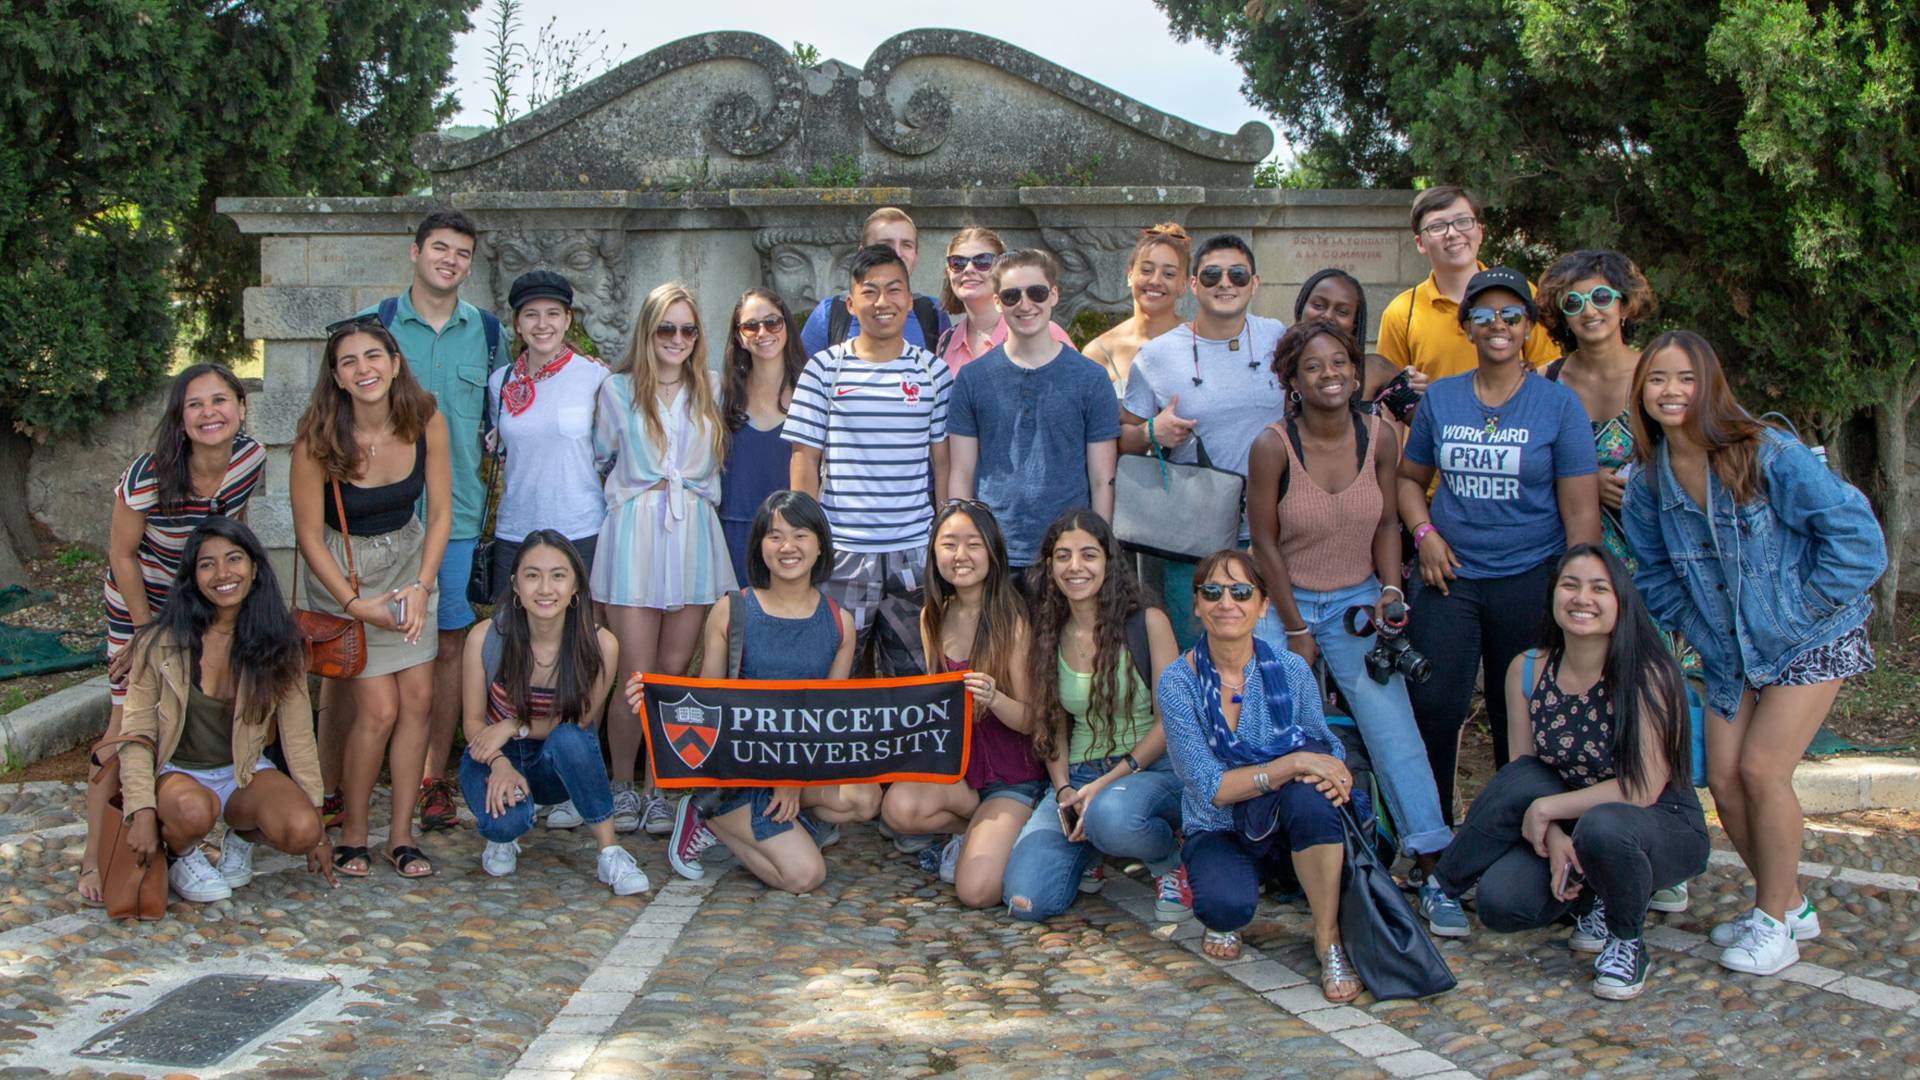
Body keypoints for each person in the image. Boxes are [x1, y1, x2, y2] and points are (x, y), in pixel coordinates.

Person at [1622, 330, 1886, 977]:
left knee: (1765, 770)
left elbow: (1859, 540)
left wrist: (1796, 612)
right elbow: (1653, 577)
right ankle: (1789, 903)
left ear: (1710, 383)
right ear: (1641, 392)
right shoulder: (1647, 483)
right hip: (1726, 649)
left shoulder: (1766, 453)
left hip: (1810, 637)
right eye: (1658, 379)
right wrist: (1703, 635)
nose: (1672, 391)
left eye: (1686, 377)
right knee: (1729, 778)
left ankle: (1772, 923)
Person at [1246, 320, 1460, 934]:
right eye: (1313, 366)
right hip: (1286, 601)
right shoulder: (1272, 446)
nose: (1330, 375)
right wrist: (1291, 628)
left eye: (1339, 362)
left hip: (1359, 599)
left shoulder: (1383, 437)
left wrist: (1391, 588)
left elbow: (1388, 525)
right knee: (1265, 724)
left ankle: (1430, 860)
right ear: (1292, 378)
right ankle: (1256, 855)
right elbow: (1263, 541)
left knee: (1393, 728)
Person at [1429, 545, 1709, 1000]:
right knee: (1500, 904)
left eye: (1600, 588)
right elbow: (1523, 775)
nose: (1583, 598)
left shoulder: (1648, 675)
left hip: (1656, 822)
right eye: (1570, 585)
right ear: (1553, 595)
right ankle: (1592, 891)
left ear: (1621, 601)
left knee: (1604, 827)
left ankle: (1625, 941)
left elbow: (1640, 788)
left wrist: (1547, 810)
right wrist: (1556, 834)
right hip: (1574, 819)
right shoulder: (1527, 669)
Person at [1397, 266, 1602, 822]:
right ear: (1466, 327)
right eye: (1483, 315)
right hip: (1450, 577)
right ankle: (1433, 835)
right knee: (1434, 705)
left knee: (1524, 717)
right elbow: (1408, 482)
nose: (1498, 325)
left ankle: (1519, 830)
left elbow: (1582, 515)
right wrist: (1425, 534)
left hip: (1530, 576)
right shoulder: (1441, 400)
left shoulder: (1559, 407)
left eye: (1512, 315)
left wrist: (1578, 593)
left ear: (1528, 327)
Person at [1534, 250, 1694, 917]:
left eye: (1601, 297)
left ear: (1626, 303)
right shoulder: (1545, 381)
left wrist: (1645, 490)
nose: (1589, 312)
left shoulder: (1655, 377)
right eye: (1572, 302)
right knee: (1595, 706)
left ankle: (1665, 844)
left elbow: (1698, 453)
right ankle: (1599, 843)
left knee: (1657, 699)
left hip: (1655, 565)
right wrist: (1580, 483)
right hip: (1577, 562)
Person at [351, 209, 511, 836]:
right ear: (414, 252)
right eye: (440, 248)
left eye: (463, 253)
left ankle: (430, 780)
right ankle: (344, 783)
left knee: (446, 646)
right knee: (359, 645)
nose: (450, 260)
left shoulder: (489, 333)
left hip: (457, 515)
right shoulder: (379, 327)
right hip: (378, 516)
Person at [84, 364, 265, 905]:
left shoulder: (250, 459)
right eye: (195, 404)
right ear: (180, 418)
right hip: (142, 606)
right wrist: (145, 633)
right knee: (125, 726)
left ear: (240, 405)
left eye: (220, 400)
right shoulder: (148, 476)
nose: (210, 413)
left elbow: (232, 530)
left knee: (190, 714)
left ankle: (187, 838)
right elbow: (121, 553)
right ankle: (97, 855)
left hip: (201, 603)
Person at [638, 491, 871, 892]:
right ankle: (706, 815)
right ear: (759, 545)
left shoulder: (839, 622)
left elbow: (828, 717)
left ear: (820, 545)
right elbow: (707, 703)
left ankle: (782, 821)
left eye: (800, 535)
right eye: (774, 536)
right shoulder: (733, 610)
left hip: (798, 762)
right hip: (738, 770)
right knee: (805, 876)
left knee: (863, 799)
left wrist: (794, 778)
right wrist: (650, 696)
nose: (787, 547)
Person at [1158, 551, 1362, 1002]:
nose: (1225, 602)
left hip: (1281, 820)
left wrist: (1331, 773)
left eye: (1241, 591)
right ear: (1196, 605)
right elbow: (1211, 788)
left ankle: (1327, 937)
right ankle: (1234, 886)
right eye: (1212, 591)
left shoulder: (1290, 670)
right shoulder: (1177, 682)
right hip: (1220, 825)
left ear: (1263, 605)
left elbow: (1324, 745)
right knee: (1225, 907)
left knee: (1313, 797)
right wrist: (1289, 765)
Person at [291, 317, 452, 879]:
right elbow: (308, 536)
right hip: (346, 573)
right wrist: (355, 604)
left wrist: (423, 584)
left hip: (410, 565)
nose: (364, 370)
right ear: (335, 377)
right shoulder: (317, 437)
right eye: (349, 362)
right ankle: (355, 832)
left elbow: (440, 513)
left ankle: (401, 836)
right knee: (379, 709)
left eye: (373, 356)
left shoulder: (424, 418)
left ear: (395, 360)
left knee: (419, 701)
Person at [117, 518, 333, 903]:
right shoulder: (160, 643)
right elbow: (136, 734)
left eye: (234, 559)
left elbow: (298, 732)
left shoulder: (279, 642)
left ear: (254, 568)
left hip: (242, 772)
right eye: (207, 564)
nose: (223, 574)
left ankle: (240, 838)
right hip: (177, 773)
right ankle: (183, 853)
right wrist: (142, 811)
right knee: (194, 811)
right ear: (192, 577)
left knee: (301, 829)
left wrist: (316, 816)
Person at [592, 282, 736, 836]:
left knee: (675, 673)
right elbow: (600, 456)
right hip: (636, 529)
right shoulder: (616, 390)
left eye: (688, 329)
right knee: (634, 673)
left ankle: (661, 787)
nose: (677, 339)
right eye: (666, 329)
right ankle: (621, 785)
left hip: (694, 530)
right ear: (647, 332)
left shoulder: (713, 388)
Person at [1001, 511, 1186, 922]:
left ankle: (1169, 860)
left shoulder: (1148, 623)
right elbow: (1052, 723)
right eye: (1063, 556)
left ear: (1108, 561)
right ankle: (1092, 845)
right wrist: (1065, 790)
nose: (1075, 567)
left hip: (1150, 770)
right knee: (1025, 900)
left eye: (1088, 554)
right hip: (1081, 777)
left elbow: (1171, 722)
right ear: (1050, 567)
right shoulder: (1047, 630)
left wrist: (1104, 786)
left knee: (1112, 816)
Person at [458, 531, 649, 895]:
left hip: (553, 759)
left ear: (576, 586)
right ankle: (506, 831)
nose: (545, 588)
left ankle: (609, 852)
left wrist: (514, 725)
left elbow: (578, 721)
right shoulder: (485, 638)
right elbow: (472, 723)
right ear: (515, 585)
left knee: (571, 739)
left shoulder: (600, 644)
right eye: (532, 575)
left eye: (558, 575)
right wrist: (499, 762)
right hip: (493, 754)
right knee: (504, 825)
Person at [785, 244, 952, 658]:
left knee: (914, 677)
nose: (883, 302)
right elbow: (805, 458)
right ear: (851, 302)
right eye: (870, 291)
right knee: (837, 674)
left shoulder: (934, 372)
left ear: (909, 300)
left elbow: (943, 463)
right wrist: (808, 541)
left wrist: (944, 536)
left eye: (894, 290)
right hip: (842, 551)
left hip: (914, 552)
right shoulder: (824, 368)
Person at [1119, 234, 1288, 642]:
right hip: (1194, 532)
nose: (1224, 283)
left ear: (1255, 283)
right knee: (1196, 650)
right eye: (1211, 274)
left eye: (1237, 274)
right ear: (1194, 285)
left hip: (1273, 528)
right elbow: (1123, 438)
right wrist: (1151, 432)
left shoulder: (1279, 339)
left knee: (1266, 653)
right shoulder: (1157, 355)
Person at [878, 502, 1042, 908]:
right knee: (897, 809)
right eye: (948, 544)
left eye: (973, 544)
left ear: (993, 552)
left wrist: (996, 698)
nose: (960, 556)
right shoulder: (933, 614)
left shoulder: (1014, 620)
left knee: (976, 892)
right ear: (933, 554)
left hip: (1011, 774)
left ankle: (1019, 828)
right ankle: (975, 834)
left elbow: (1035, 720)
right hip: (961, 768)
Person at [947, 249, 1118, 574]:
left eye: (1036, 292)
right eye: (1012, 296)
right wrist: (963, 544)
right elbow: (961, 472)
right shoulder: (972, 378)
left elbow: (1102, 479)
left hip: (1068, 555)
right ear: (998, 302)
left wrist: (1101, 548)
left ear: (1053, 295)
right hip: (993, 550)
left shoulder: (1091, 378)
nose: (1025, 304)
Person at [485, 270, 610, 595]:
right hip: (517, 528)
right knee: (512, 633)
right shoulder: (500, 382)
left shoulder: (595, 377)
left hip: (579, 526)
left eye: (553, 314)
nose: (542, 324)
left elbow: (610, 450)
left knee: (578, 632)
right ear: (517, 323)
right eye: (531, 315)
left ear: (568, 319)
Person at [1374, 186, 1557, 383]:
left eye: (1463, 221)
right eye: (1437, 227)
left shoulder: (1521, 292)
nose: (1452, 233)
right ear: (1420, 243)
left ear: (1479, 232)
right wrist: (1411, 393)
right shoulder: (1401, 312)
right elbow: (1386, 390)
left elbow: (1549, 369)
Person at [716, 288, 804, 586]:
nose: (762, 332)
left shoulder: (812, 391)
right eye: (751, 325)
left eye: (772, 322)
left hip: (794, 536)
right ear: (739, 336)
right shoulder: (721, 394)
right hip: (735, 534)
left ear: (786, 327)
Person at [799, 206, 950, 356]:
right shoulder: (830, 314)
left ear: (916, 255)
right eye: (885, 245)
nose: (897, 253)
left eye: (906, 245)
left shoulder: (934, 313)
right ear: (862, 253)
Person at [1291, 268, 1426, 423]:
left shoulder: (1376, 370)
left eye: (1342, 312)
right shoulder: (1277, 366)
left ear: (1354, 323)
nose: (1327, 316)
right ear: (1301, 307)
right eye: (1318, 305)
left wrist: (1428, 391)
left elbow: (1429, 424)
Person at [933, 226, 1071, 372]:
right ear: (948, 272)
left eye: (982, 261)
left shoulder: (1045, 332)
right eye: (958, 262)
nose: (968, 269)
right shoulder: (946, 341)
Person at [1083, 223, 1191, 395]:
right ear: (1130, 275)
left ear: (1183, 285)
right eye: (1147, 270)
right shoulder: (1099, 352)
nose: (1155, 281)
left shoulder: (1199, 342)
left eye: (1169, 274)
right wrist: (1151, 424)